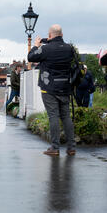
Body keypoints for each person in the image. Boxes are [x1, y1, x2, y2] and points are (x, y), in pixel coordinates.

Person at [28, 24, 76, 156]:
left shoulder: (46, 49)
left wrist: (37, 45)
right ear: (62, 34)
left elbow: (31, 57)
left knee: (53, 116)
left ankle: (55, 148)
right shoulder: (69, 48)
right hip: (65, 86)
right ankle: (71, 147)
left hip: (49, 87)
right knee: (66, 116)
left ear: (50, 35)